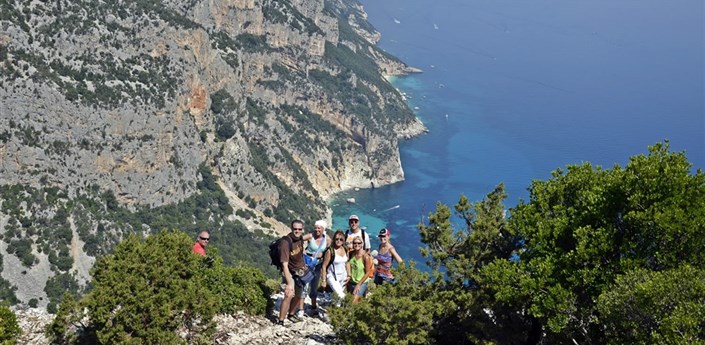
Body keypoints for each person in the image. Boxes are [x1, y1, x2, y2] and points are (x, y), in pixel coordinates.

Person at [276, 220, 307, 326]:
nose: (297, 231)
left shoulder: (300, 239)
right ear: (291, 228)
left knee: (299, 294)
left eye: (299, 229)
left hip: (299, 271)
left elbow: (300, 253)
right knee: (289, 294)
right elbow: (284, 264)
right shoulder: (285, 243)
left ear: (302, 229)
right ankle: (280, 320)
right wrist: (289, 283)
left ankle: (291, 314)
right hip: (289, 272)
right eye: (295, 229)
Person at [300, 220, 332, 317]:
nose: (317, 229)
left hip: (318, 266)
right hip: (307, 265)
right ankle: (301, 309)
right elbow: (298, 240)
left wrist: (323, 255)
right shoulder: (310, 236)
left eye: (319, 228)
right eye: (316, 227)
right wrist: (302, 253)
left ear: (323, 229)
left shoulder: (327, 239)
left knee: (314, 286)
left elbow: (330, 250)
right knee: (304, 285)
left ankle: (313, 307)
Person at [321, 230, 350, 303]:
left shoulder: (345, 249)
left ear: (343, 241)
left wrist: (349, 275)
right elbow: (324, 266)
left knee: (338, 298)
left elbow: (347, 262)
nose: (338, 241)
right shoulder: (330, 251)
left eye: (341, 239)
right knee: (342, 296)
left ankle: (336, 312)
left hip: (343, 277)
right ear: (334, 239)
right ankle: (348, 309)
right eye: (337, 239)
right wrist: (324, 280)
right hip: (333, 277)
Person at [346, 237, 374, 303]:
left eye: (359, 243)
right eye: (355, 243)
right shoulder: (351, 254)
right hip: (351, 281)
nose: (357, 244)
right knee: (354, 300)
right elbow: (348, 264)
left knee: (353, 301)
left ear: (362, 244)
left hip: (362, 282)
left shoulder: (365, 257)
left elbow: (368, 272)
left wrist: (358, 285)